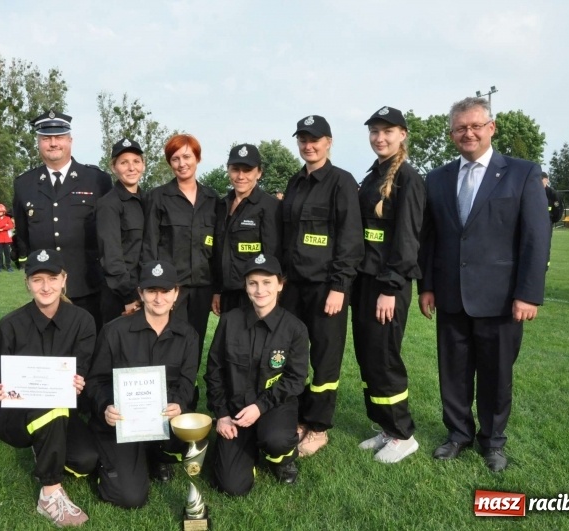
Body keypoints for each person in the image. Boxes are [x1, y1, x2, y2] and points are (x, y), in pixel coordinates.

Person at [418, 97, 550, 472]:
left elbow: (536, 238)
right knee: (453, 371)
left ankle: (493, 441)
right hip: (450, 294)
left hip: (502, 297)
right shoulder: (438, 178)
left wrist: (528, 292)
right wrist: (426, 286)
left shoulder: (522, 173)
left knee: (496, 374)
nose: (469, 133)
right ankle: (458, 434)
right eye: (461, 128)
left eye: (476, 125)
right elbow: (431, 238)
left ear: (491, 128)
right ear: (452, 134)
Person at [0, 249, 98, 527]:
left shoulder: (82, 321)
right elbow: (1, 376)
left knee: (86, 461)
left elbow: (81, 372)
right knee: (50, 406)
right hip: (14, 413)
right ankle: (49, 493)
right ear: (27, 283)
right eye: (37, 279)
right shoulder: (9, 324)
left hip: (61, 410)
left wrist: (78, 383)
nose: (46, 287)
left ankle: (46, 444)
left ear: (64, 280)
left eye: (52, 278)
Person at [280, 115, 363, 456]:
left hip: (326, 288)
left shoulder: (342, 182)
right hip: (293, 288)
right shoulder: (295, 182)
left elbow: (350, 238)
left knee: (325, 359)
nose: (308, 145)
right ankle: (297, 416)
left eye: (314, 139)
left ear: (328, 142)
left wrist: (340, 286)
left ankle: (318, 427)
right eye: (302, 139)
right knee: (294, 355)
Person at [87, 260, 199, 509]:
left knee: (190, 435)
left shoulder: (188, 335)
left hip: (163, 419)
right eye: (151, 291)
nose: (159, 299)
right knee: (130, 497)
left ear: (176, 294)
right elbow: (96, 381)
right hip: (123, 424)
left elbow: (188, 382)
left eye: (165, 291)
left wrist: (179, 404)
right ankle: (113, 462)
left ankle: (158, 455)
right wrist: (106, 406)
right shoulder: (114, 331)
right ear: (141, 293)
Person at [351, 106, 425, 464]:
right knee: (368, 356)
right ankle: (385, 427)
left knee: (385, 358)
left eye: (387, 131)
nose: (380, 138)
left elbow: (407, 241)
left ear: (402, 135)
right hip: (365, 282)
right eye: (375, 132)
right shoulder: (372, 175)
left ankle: (403, 434)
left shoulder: (408, 179)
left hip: (387, 287)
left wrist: (391, 288)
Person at [206, 254, 308, 494]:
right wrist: (221, 414)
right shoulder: (230, 322)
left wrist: (260, 407)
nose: (259, 289)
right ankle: (246, 447)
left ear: (280, 285)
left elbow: (295, 379)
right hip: (235, 409)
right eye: (253, 283)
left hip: (274, 406)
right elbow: (214, 370)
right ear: (246, 286)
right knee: (231, 486)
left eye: (267, 282)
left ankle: (282, 458)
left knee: (276, 440)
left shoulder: (295, 328)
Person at [13, 110, 113, 331]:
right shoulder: (24, 184)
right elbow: (22, 235)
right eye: (46, 138)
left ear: (70, 140)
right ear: (38, 142)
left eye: (59, 137)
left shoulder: (98, 180)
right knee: (51, 349)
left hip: (88, 282)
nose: (53, 143)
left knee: (90, 345)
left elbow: (110, 232)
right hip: (47, 288)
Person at [142, 134, 218, 362]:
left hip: (203, 288)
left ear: (198, 158)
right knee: (167, 343)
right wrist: (154, 288)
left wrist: (217, 289)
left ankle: (188, 393)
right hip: (170, 289)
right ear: (169, 163)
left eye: (187, 156)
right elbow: (149, 245)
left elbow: (217, 247)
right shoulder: (158, 197)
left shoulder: (212, 199)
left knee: (194, 342)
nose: (182, 163)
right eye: (175, 159)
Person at [212, 144, 282, 315]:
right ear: (228, 170)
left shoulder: (270, 206)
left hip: (256, 295)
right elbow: (218, 252)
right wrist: (217, 290)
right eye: (235, 169)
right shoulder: (221, 205)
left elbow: (273, 255)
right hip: (228, 294)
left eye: (248, 170)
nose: (241, 176)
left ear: (259, 173)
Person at [96, 138, 146, 324]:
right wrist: (129, 296)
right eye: (124, 162)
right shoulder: (108, 204)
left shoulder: (148, 200)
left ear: (143, 165)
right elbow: (111, 257)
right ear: (114, 167)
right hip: (121, 295)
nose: (131, 168)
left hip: (147, 291)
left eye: (136, 161)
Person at [541, 172, 563, 270]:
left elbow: (558, 210)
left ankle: (545, 265)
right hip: (534, 223)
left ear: (547, 180)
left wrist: (551, 220)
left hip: (547, 223)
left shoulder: (553, 194)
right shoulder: (532, 192)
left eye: (542, 179)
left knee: (545, 245)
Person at [0, 204, 15, 272]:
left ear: (3, 212)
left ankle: (8, 266)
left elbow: (10, 226)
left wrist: (1, 229)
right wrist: (5, 225)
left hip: (6, 239)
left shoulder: (7, 218)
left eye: (0, 211)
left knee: (7, 253)